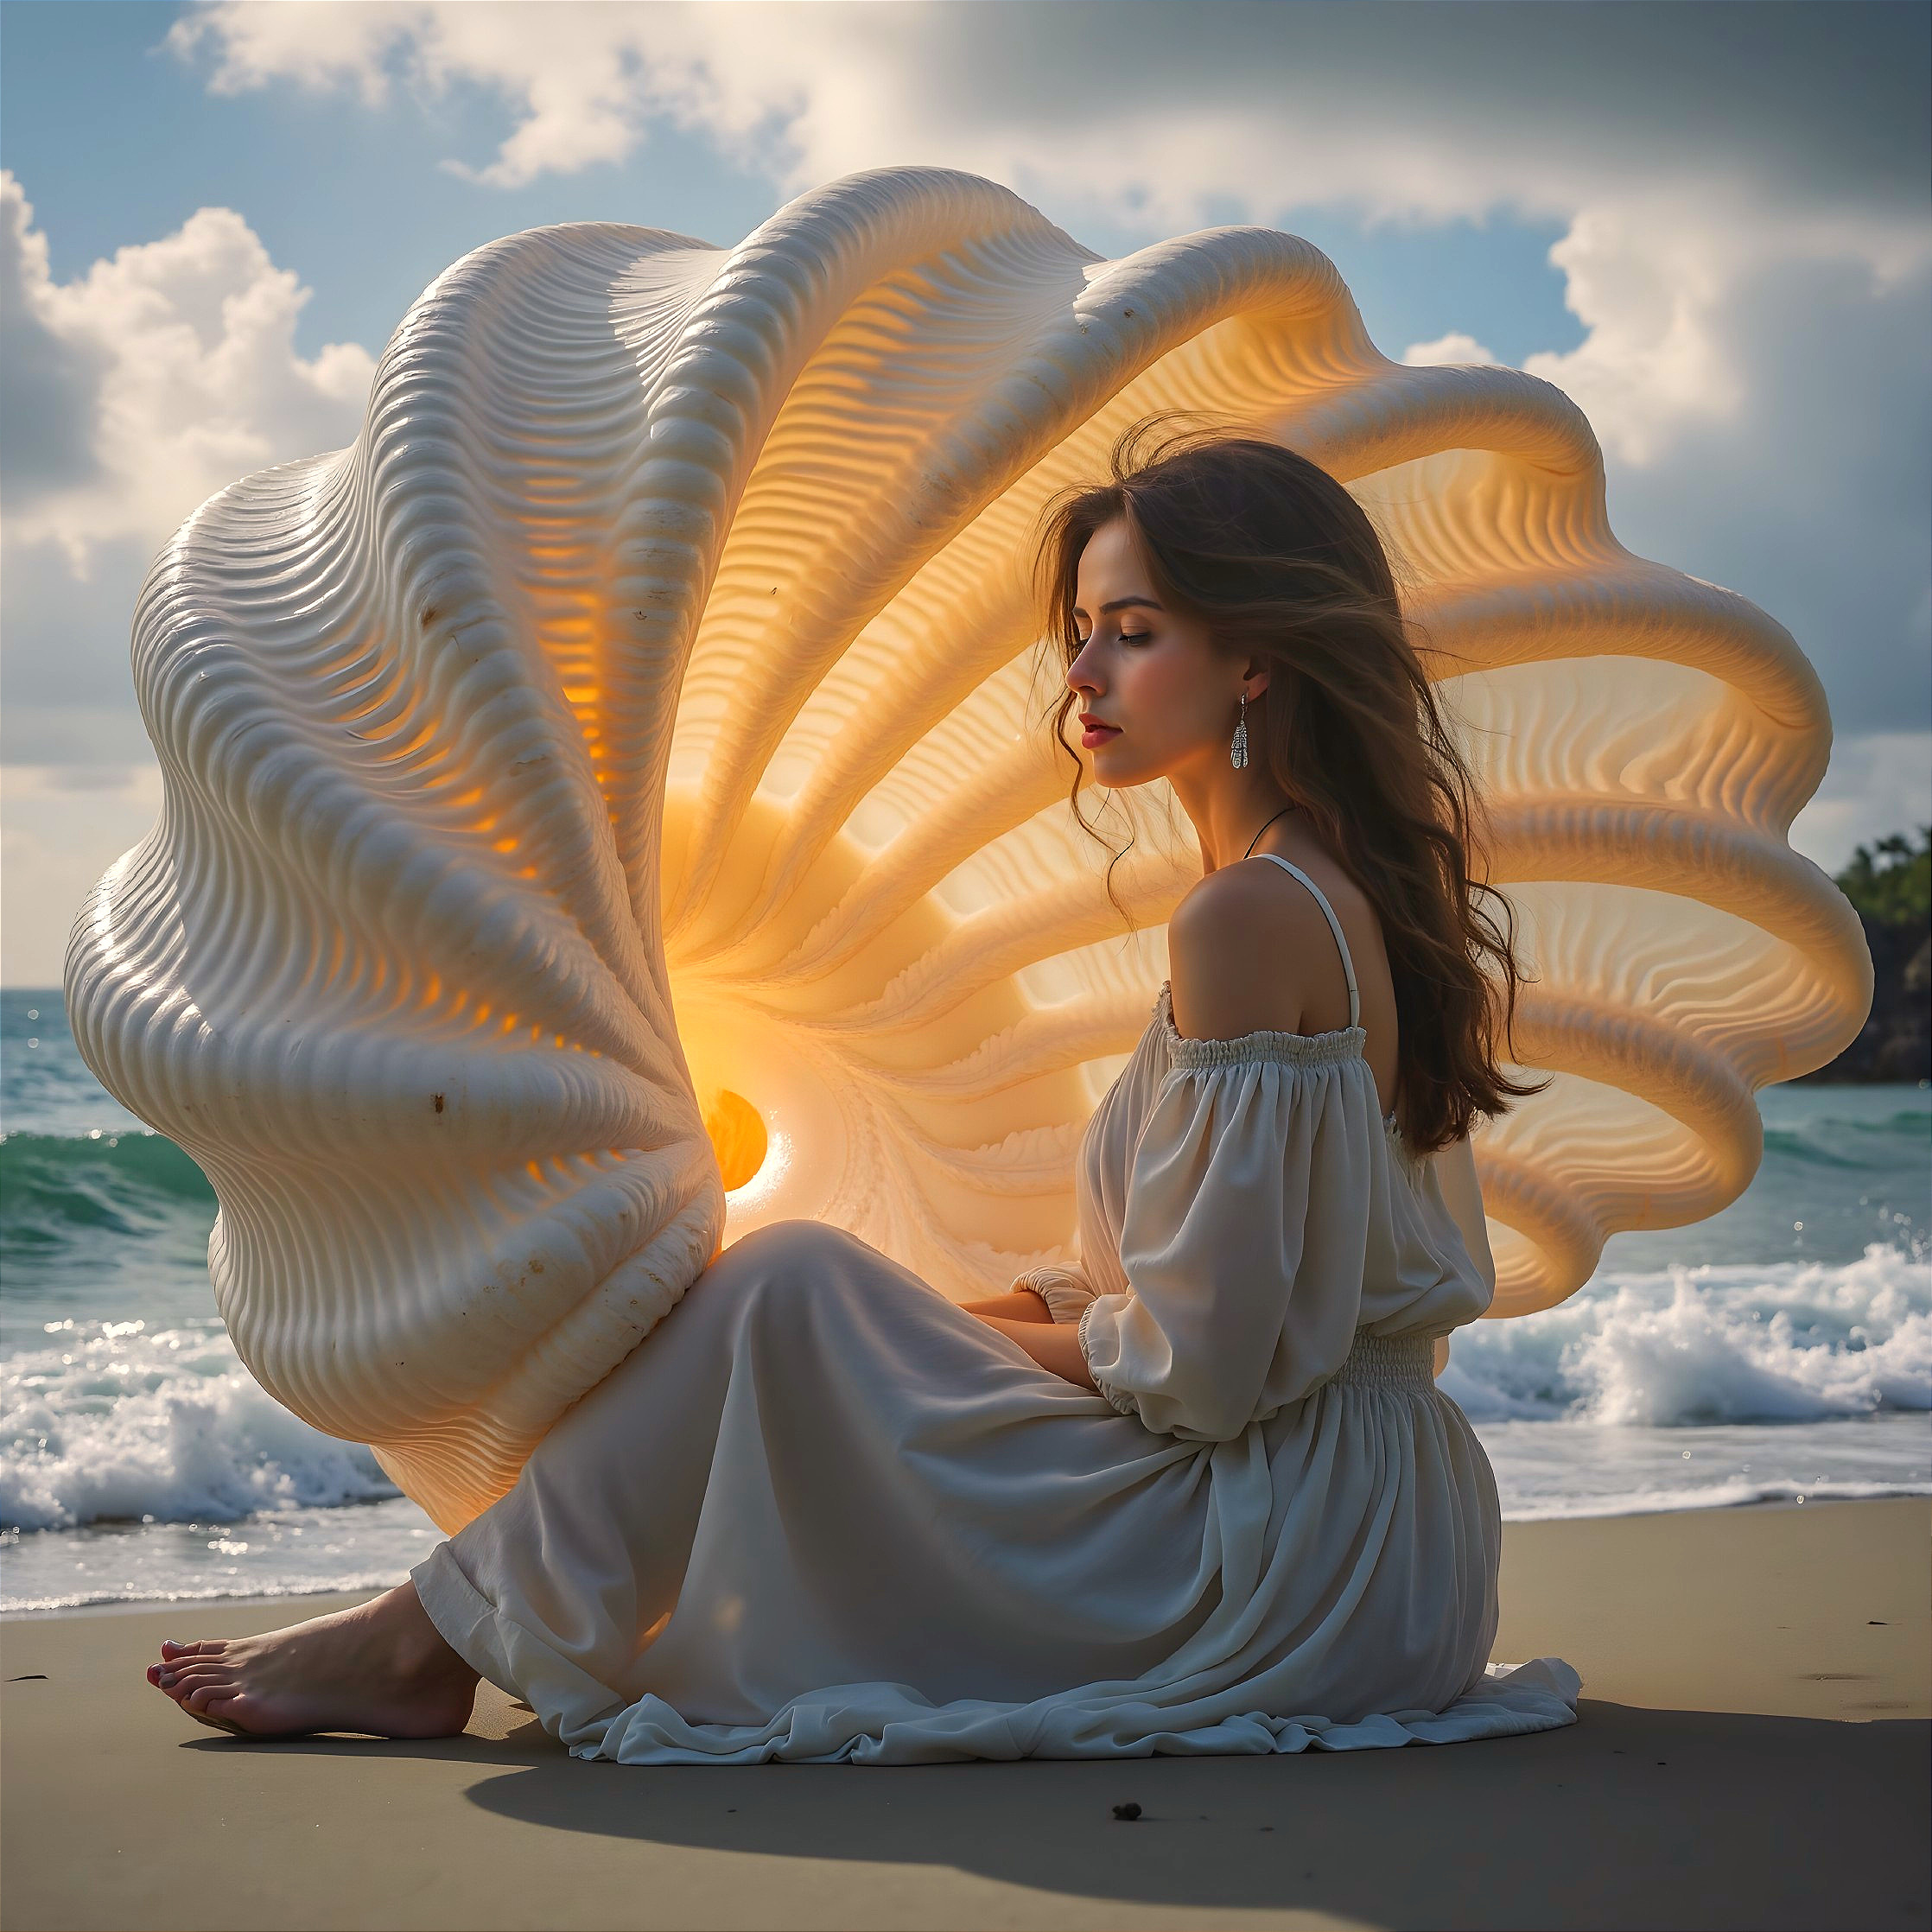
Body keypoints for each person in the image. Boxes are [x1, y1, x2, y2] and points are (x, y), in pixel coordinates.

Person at [144, 423, 1580, 1761]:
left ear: (1258, 659)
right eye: (1082, 633)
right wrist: (935, 1322)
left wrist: (861, 1327)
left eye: (1134, 635)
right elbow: (1238, 1303)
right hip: (1390, 1539)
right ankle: (441, 1626)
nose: (1080, 676)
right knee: (805, 1295)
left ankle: (427, 1637)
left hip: (1282, 1556)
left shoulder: (1249, 917)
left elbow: (1207, 1373)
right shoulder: (1330, 895)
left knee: (789, 1287)